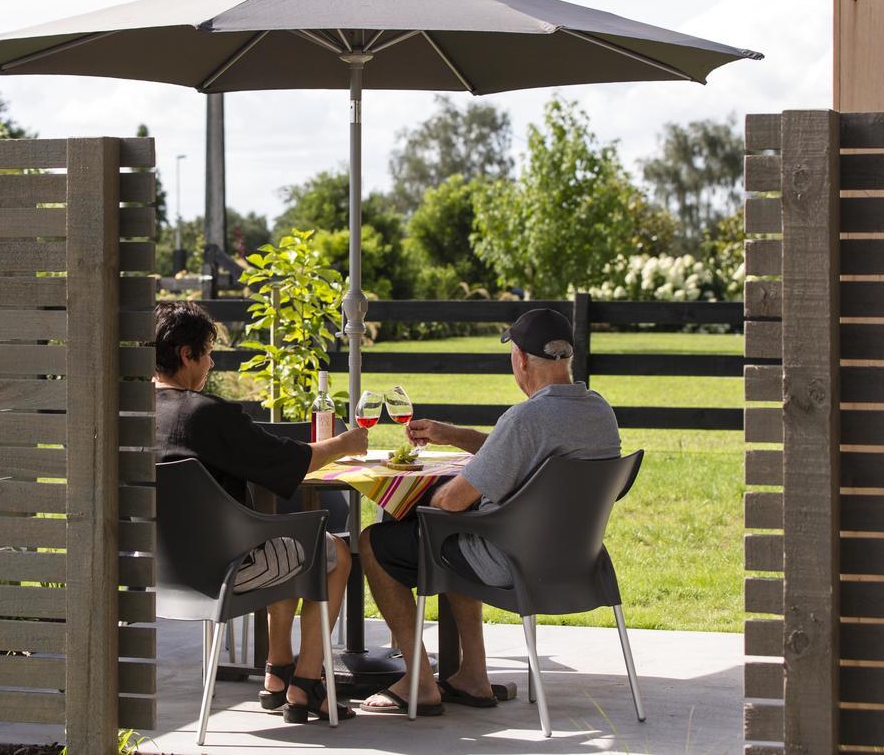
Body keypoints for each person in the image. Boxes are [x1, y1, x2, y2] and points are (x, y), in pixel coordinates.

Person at [359, 308, 621, 715]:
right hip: (579, 562)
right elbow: (519, 454)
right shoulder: (600, 412)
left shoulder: (527, 418)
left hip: (510, 561)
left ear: (519, 359)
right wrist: (451, 435)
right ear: (567, 357)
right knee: (462, 531)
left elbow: (451, 503)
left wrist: (417, 507)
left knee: (379, 541)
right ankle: (473, 677)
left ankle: (420, 681)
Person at [153, 300, 368, 724]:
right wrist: (345, 444)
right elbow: (292, 461)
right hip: (224, 571)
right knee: (333, 555)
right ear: (186, 355)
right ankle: (306, 683)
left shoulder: (127, 413)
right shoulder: (209, 416)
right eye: (208, 353)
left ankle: (276, 672)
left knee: (285, 543)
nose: (212, 363)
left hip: (153, 569)